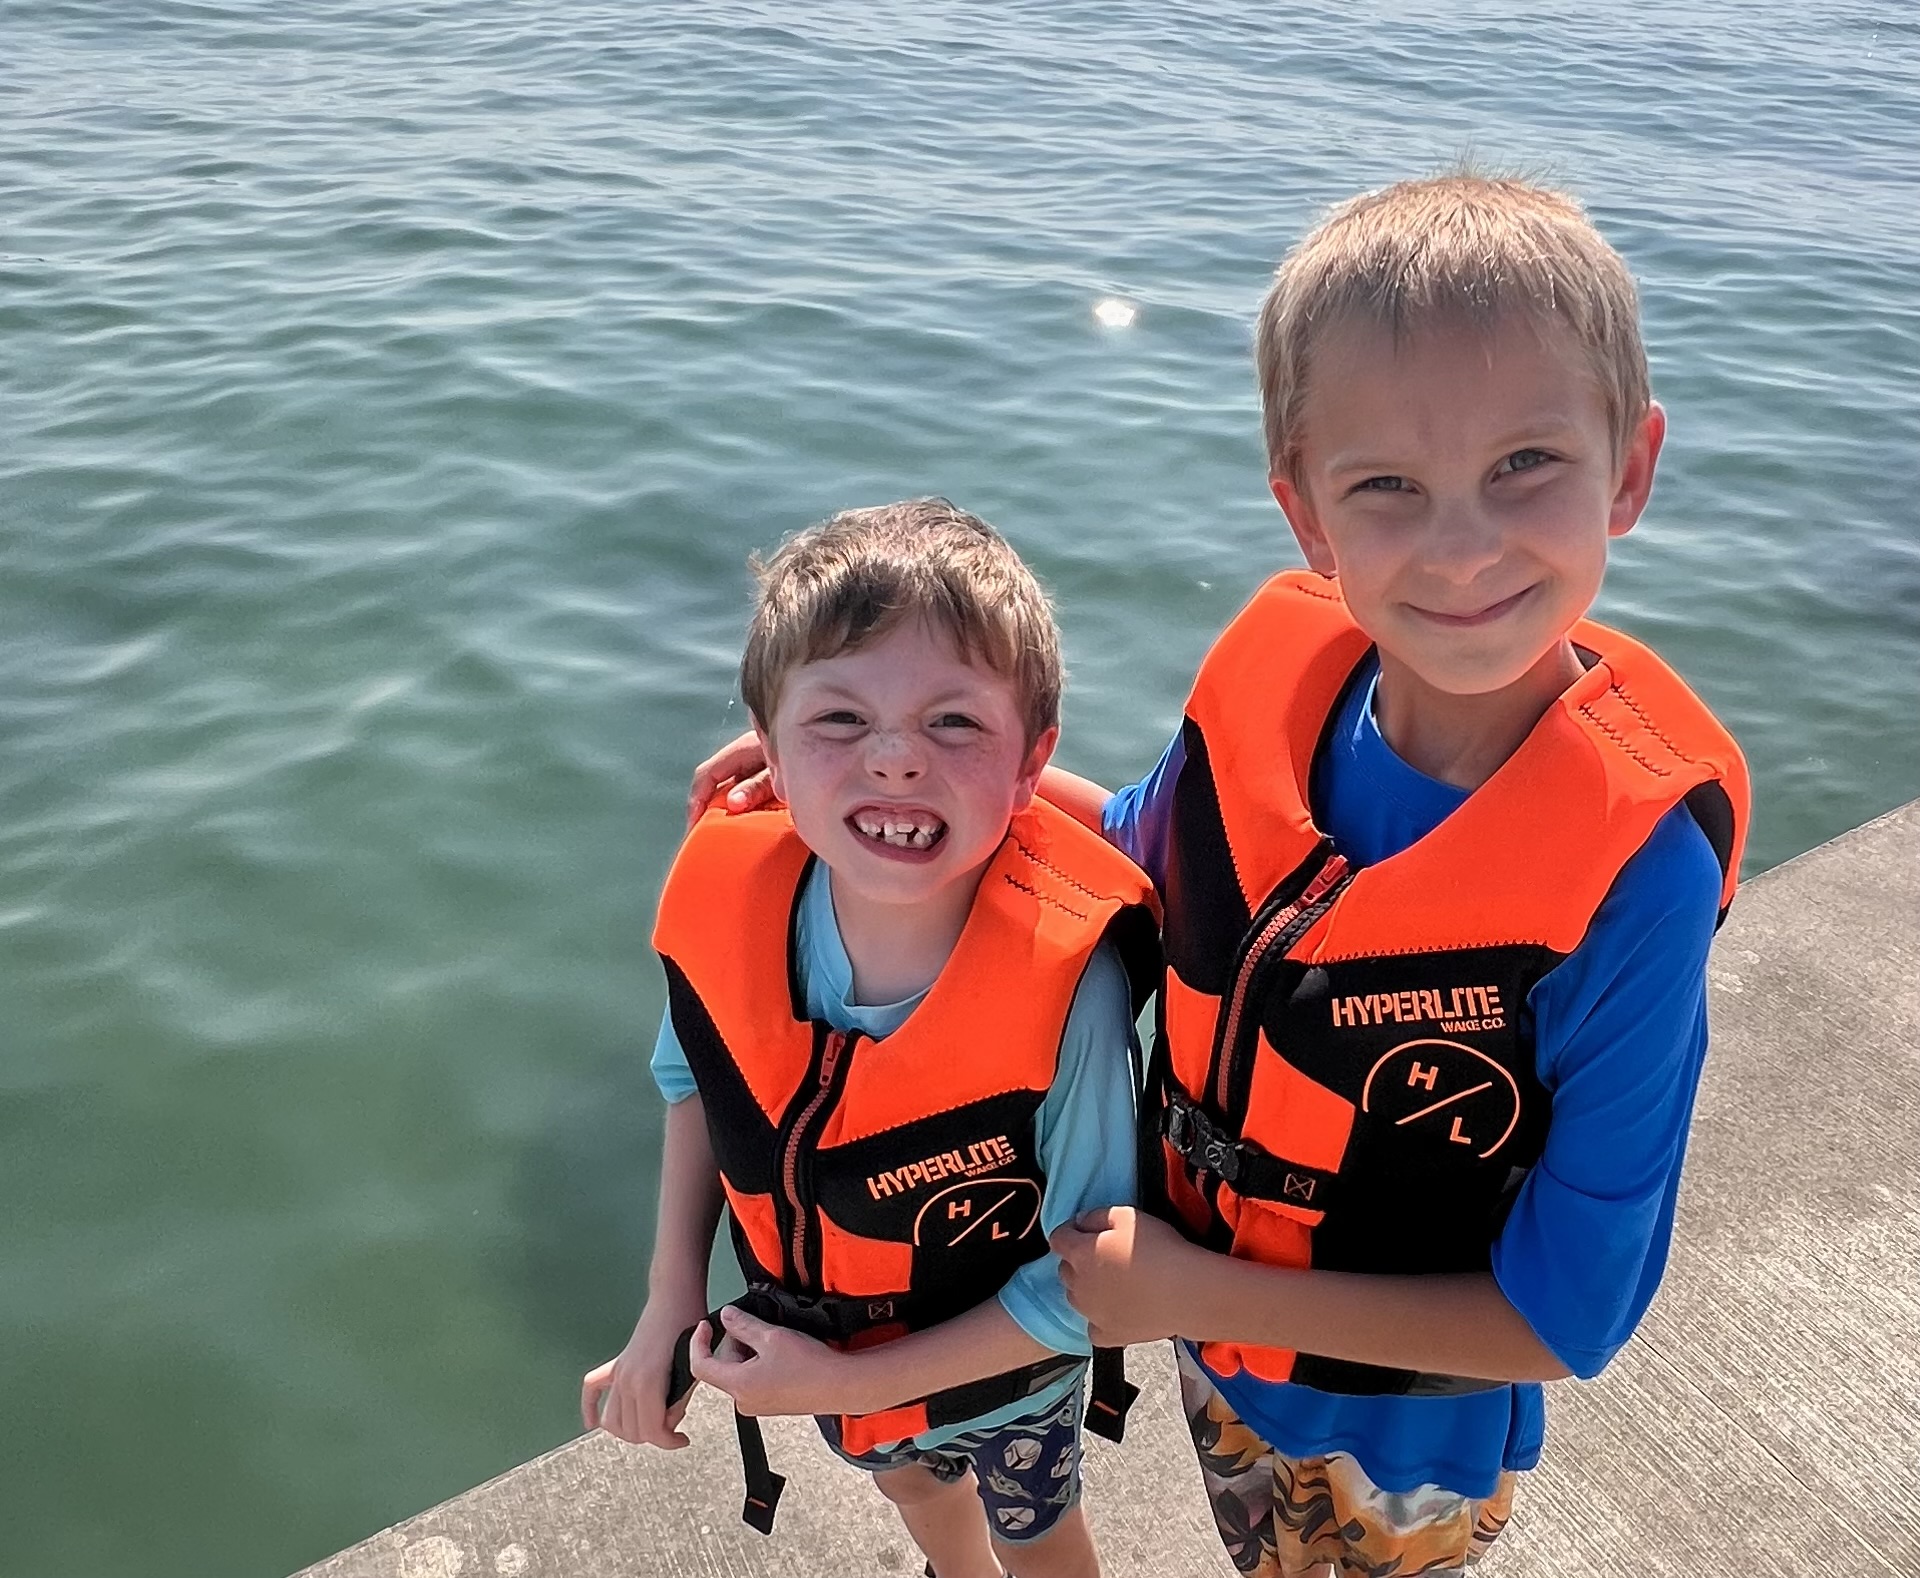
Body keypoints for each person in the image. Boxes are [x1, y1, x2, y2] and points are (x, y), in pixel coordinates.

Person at [691, 176, 1752, 1577]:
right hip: (1215, 1355)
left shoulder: (1635, 881)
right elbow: (1147, 849)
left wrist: (1191, 1286)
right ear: (1306, 514)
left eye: (1526, 463)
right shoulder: (1276, 695)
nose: (1462, 544)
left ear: (1629, 468)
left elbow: (1567, 1317)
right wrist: (888, 776)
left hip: (1389, 1448)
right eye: (1387, 485)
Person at [584, 499, 1158, 1578]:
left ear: (1031, 763)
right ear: (769, 754)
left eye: (955, 723)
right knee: (915, 1491)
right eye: (840, 720)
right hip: (827, 1347)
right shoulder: (730, 908)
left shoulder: (1070, 995)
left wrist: (849, 1383)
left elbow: (1093, 1284)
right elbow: (694, 1081)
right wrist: (669, 1299)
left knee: (1037, 1531)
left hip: (1010, 1384)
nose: (895, 761)